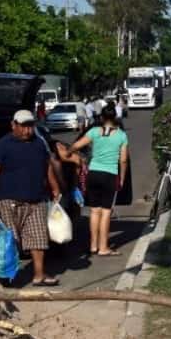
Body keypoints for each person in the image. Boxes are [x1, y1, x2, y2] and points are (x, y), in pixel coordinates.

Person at [0, 109, 62, 286]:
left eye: (30, 126)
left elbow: (48, 167)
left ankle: (39, 274)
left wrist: (55, 187)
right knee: (10, 241)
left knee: (38, 239)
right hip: (10, 202)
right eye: (24, 126)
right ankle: (6, 277)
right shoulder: (2, 145)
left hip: (36, 200)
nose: (28, 130)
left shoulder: (39, 143)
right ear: (14, 125)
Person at [66, 105, 128, 256]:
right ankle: (103, 247)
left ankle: (93, 245)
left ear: (101, 118)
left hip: (93, 174)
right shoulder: (121, 135)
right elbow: (124, 160)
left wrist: (67, 153)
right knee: (106, 212)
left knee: (94, 211)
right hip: (110, 175)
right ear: (115, 118)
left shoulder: (94, 131)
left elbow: (77, 145)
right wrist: (122, 179)